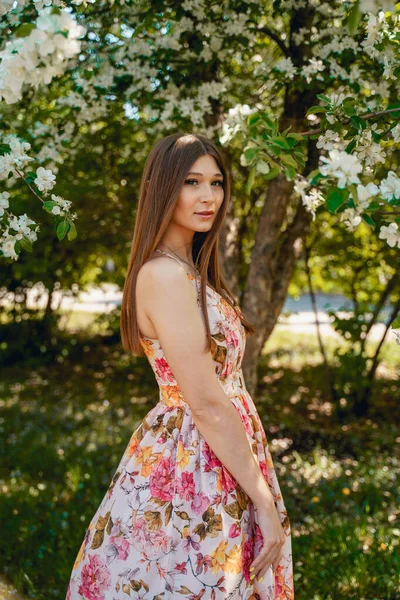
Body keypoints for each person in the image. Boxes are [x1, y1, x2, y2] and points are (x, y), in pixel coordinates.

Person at [66, 133, 294, 599]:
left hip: (221, 451)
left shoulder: (188, 268)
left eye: (216, 182)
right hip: (192, 459)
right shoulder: (163, 275)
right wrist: (264, 502)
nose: (208, 196)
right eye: (192, 182)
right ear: (164, 187)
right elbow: (207, 402)